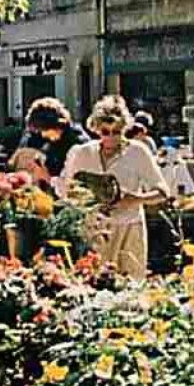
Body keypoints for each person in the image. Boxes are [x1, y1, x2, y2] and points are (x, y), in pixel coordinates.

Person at [61, 96, 169, 280]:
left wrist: (136, 198)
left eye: (116, 132)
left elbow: (163, 192)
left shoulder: (137, 151)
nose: (111, 137)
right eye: (105, 131)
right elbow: (67, 191)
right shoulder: (82, 153)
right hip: (94, 232)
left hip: (129, 228)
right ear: (96, 129)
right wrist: (88, 202)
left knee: (131, 287)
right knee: (93, 284)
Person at [24, 97, 90, 179]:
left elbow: (67, 183)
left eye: (42, 131)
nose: (42, 135)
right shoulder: (55, 141)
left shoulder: (77, 143)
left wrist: (45, 176)